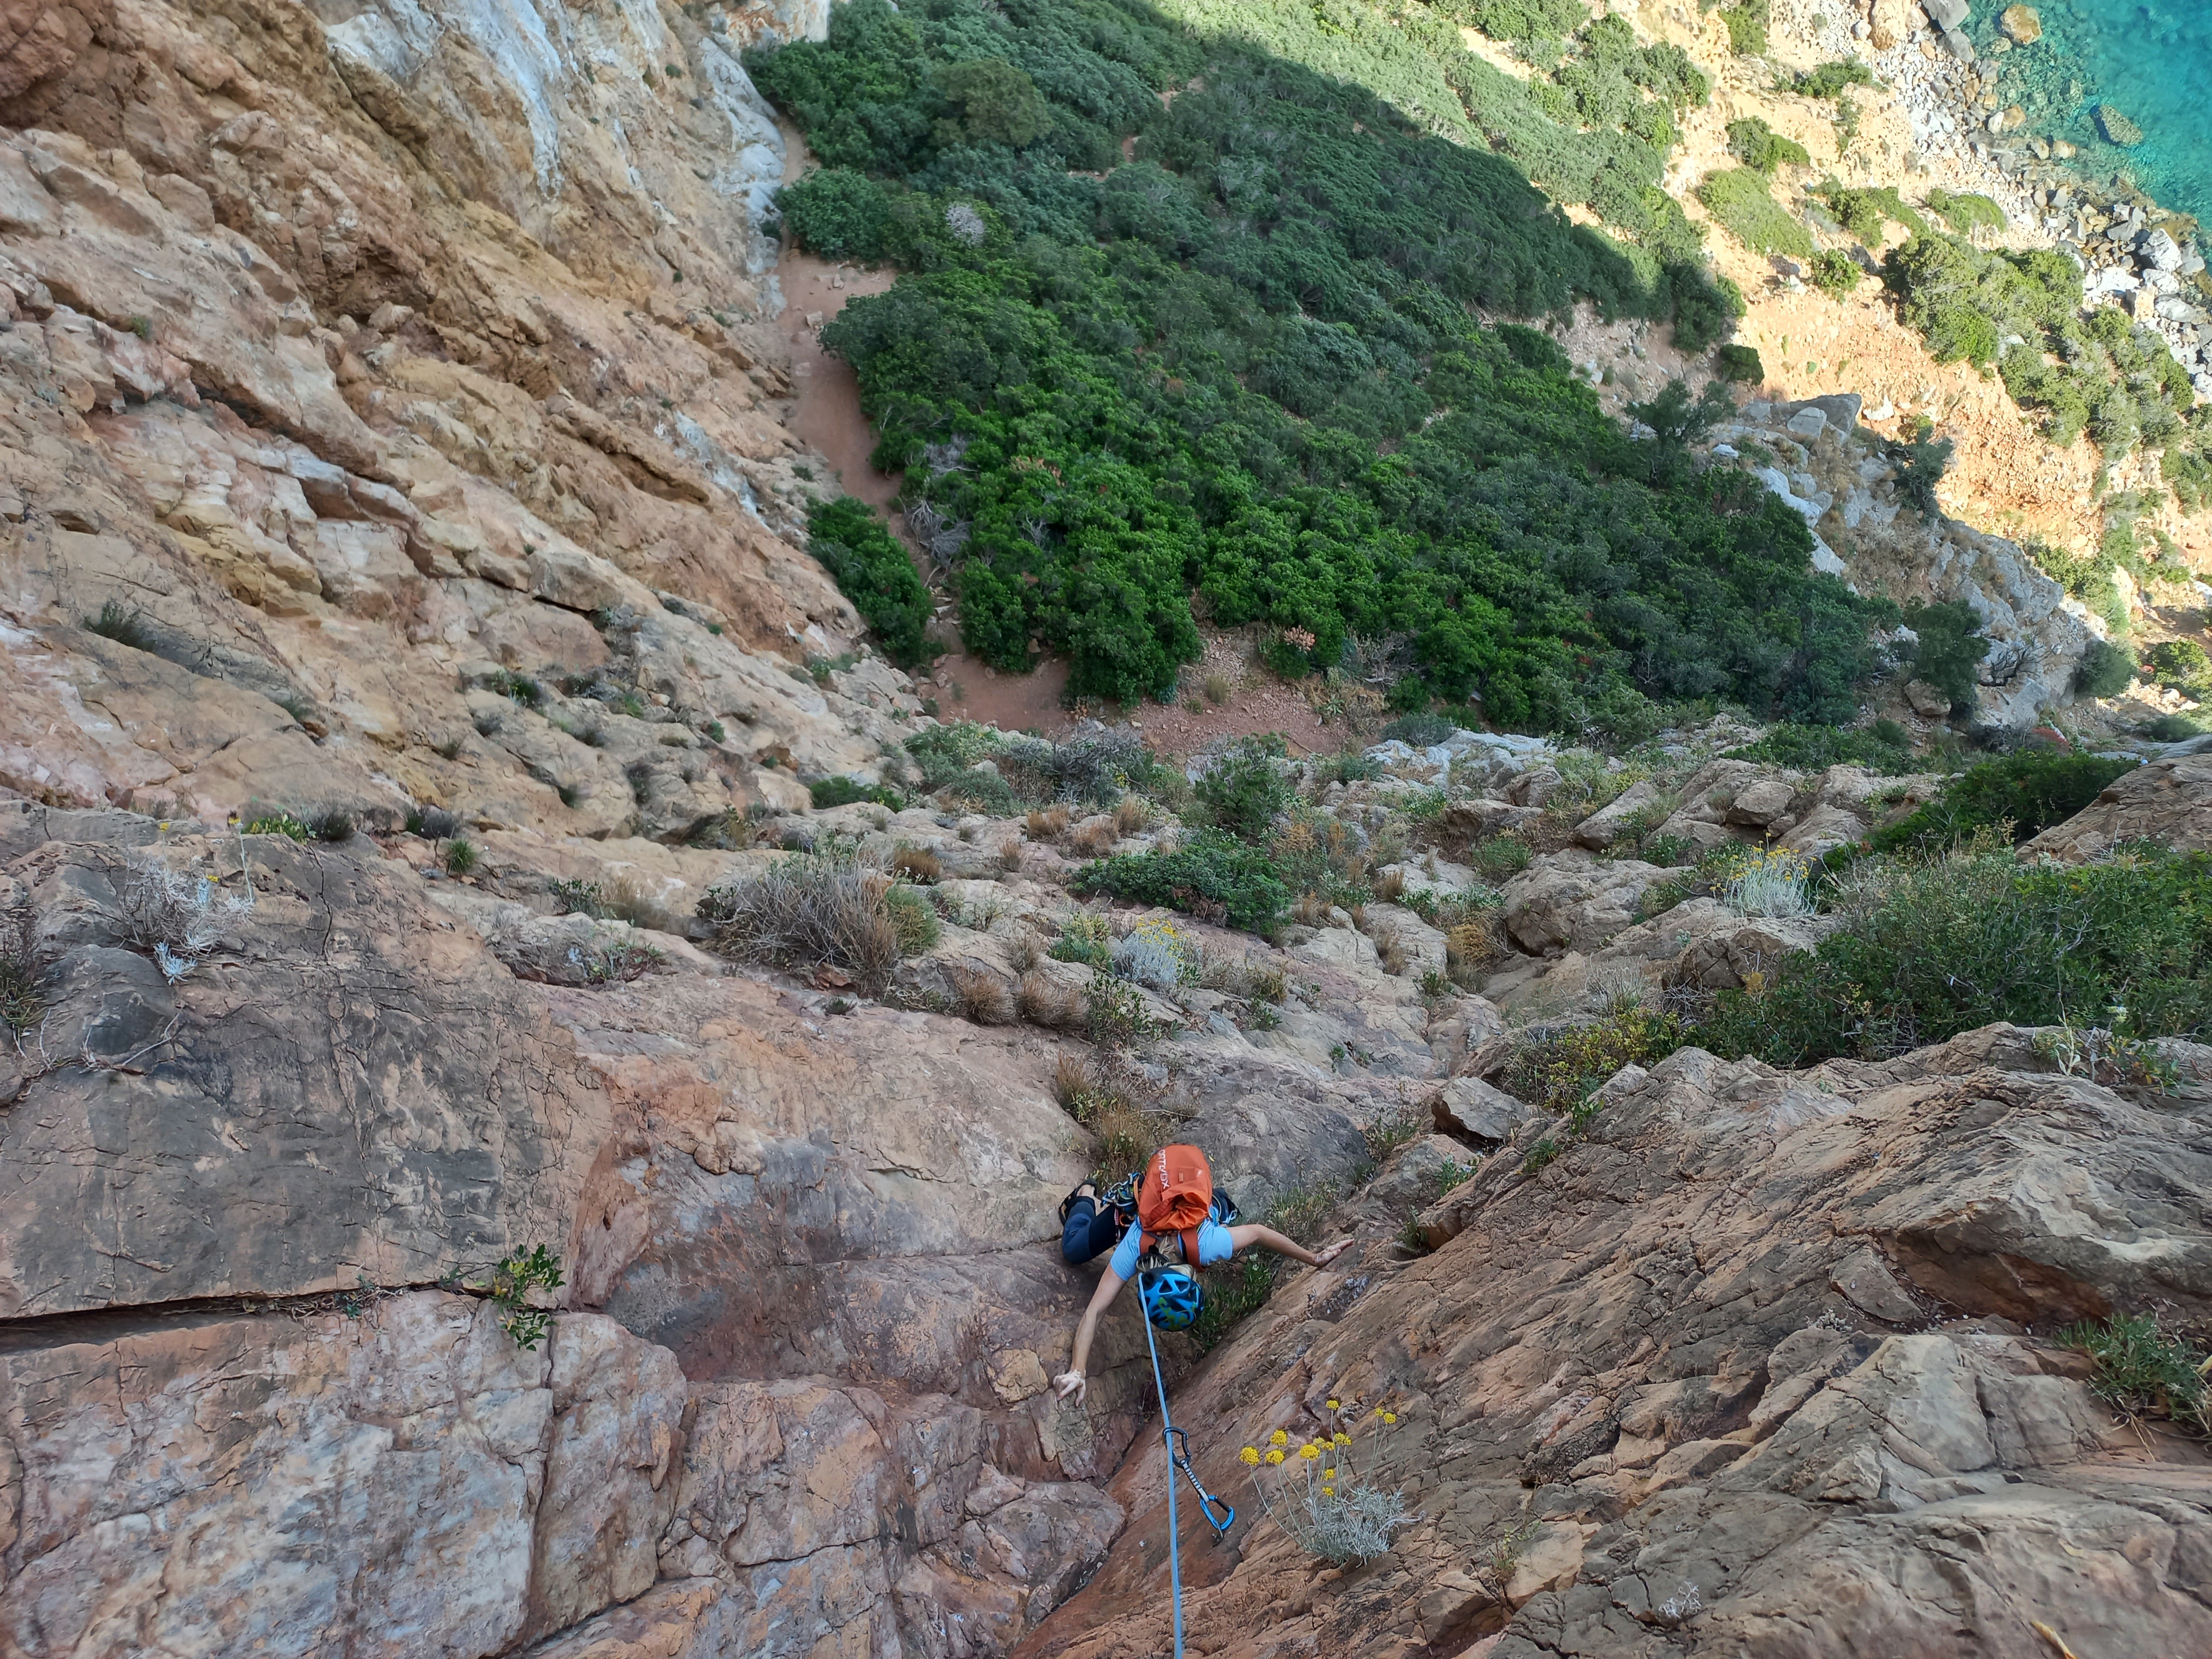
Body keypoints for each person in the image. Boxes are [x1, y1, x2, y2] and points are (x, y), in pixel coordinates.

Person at [1052, 1171, 1352, 1405]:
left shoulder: (1209, 1245)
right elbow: (1094, 1311)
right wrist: (1077, 1371)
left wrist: (1315, 1259)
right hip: (1145, 1205)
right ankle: (1085, 1196)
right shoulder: (1134, 1250)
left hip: (1184, 1198)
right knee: (1073, 1250)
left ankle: (1215, 1204)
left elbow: (1259, 1233)